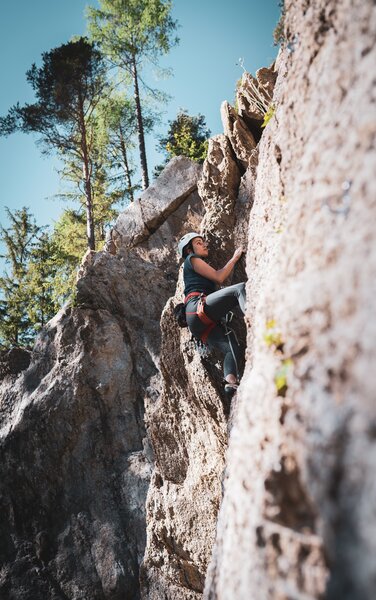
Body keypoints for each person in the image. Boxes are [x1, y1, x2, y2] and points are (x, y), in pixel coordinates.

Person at [178, 232, 246, 395]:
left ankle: (230, 384)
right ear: (189, 250)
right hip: (196, 308)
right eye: (199, 242)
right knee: (240, 289)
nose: (205, 244)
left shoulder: (194, 264)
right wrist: (235, 257)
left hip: (198, 322)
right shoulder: (192, 260)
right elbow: (219, 277)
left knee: (232, 347)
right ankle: (255, 321)